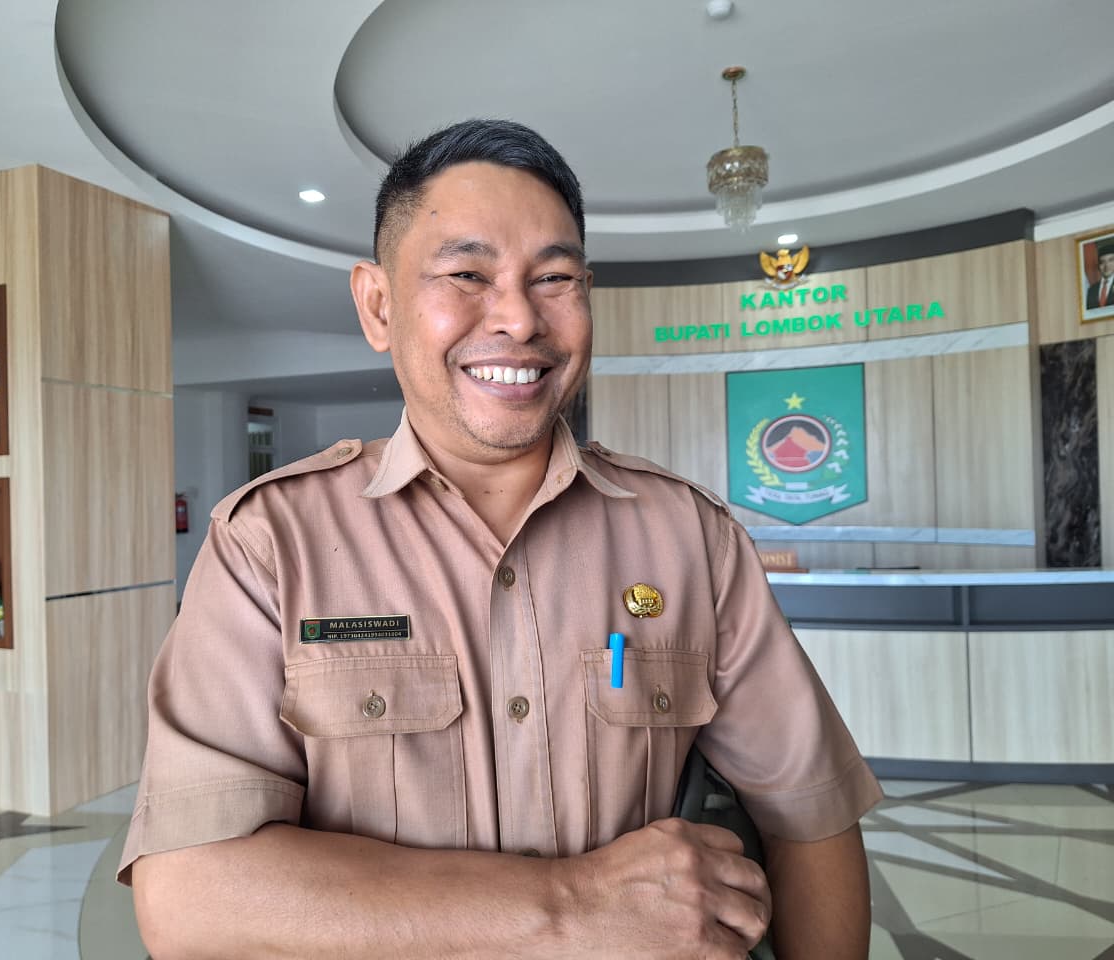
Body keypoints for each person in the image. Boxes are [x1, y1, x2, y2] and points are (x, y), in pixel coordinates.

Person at [123, 119, 882, 959]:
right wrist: (571, 906)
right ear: (378, 305)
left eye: (554, 278)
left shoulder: (689, 537)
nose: (520, 319)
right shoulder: (270, 542)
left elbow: (811, 816)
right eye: (467, 275)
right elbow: (190, 895)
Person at [1086, 240, 1114, 311]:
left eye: (1110, 260)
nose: (1107, 266)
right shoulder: (1091, 290)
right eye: (1102, 262)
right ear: (1098, 266)